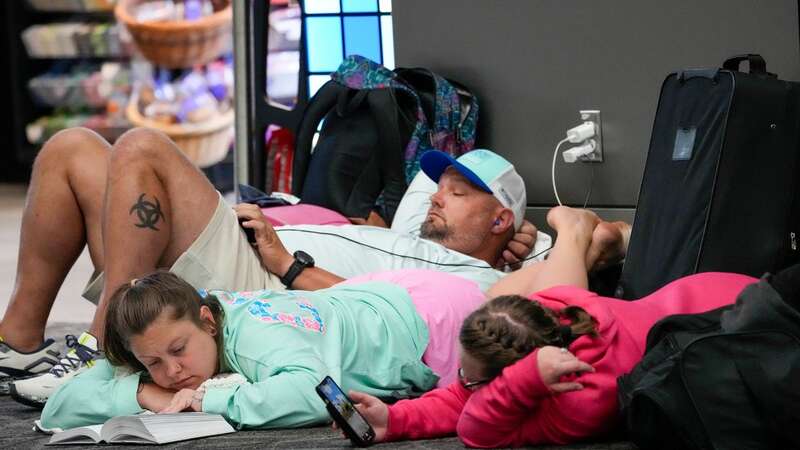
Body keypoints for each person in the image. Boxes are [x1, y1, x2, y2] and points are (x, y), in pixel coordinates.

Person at [0, 127, 545, 403]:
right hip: (253, 248)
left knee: (143, 146)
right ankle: (15, 345)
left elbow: (381, 308)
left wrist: (287, 267)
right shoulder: (399, 235)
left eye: (457, 194)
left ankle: (102, 350)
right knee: (71, 147)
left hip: (261, 292)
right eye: (438, 188)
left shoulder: (478, 277)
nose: (435, 198)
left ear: (501, 222)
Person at [344, 206, 756, 448]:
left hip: (734, 329)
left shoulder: (584, 398)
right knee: (547, 286)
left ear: (514, 378)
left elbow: (477, 430)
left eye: (476, 381)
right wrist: (394, 419)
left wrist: (526, 378)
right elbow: (462, 395)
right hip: (707, 296)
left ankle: (577, 234)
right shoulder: (546, 315)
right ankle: (582, 236)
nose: (462, 384)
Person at [37, 268, 486, 431]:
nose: (172, 371)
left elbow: (317, 392)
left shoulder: (253, 340)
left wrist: (204, 399)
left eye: (178, 350)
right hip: (363, 299)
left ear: (207, 322)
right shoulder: (177, 330)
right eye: (151, 363)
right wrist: (142, 393)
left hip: (431, 323)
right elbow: (59, 408)